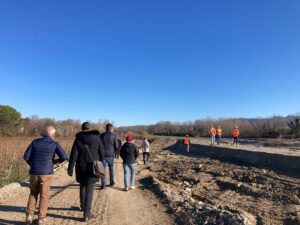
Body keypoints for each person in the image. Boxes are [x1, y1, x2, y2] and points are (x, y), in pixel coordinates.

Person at [23, 126, 68, 225]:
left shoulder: (34, 142)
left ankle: (29, 216)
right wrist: (55, 162)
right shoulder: (54, 143)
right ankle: (41, 218)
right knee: (44, 195)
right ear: (53, 135)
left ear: (44, 134)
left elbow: (26, 156)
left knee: (33, 193)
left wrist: (33, 164)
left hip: (34, 172)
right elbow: (64, 157)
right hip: (46, 173)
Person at [68, 122, 104, 221]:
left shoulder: (78, 139)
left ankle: (83, 206)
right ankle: (87, 214)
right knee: (90, 189)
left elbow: (73, 155)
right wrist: (100, 162)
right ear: (90, 128)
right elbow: (102, 153)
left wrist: (70, 168)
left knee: (82, 186)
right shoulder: (97, 138)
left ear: (82, 128)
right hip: (93, 167)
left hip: (81, 167)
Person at [100, 123, 119, 189]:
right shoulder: (114, 135)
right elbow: (116, 146)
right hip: (111, 155)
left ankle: (103, 184)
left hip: (103, 155)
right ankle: (111, 182)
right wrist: (116, 152)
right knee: (111, 169)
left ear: (106, 128)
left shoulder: (101, 135)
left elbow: (99, 145)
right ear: (111, 128)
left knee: (102, 170)